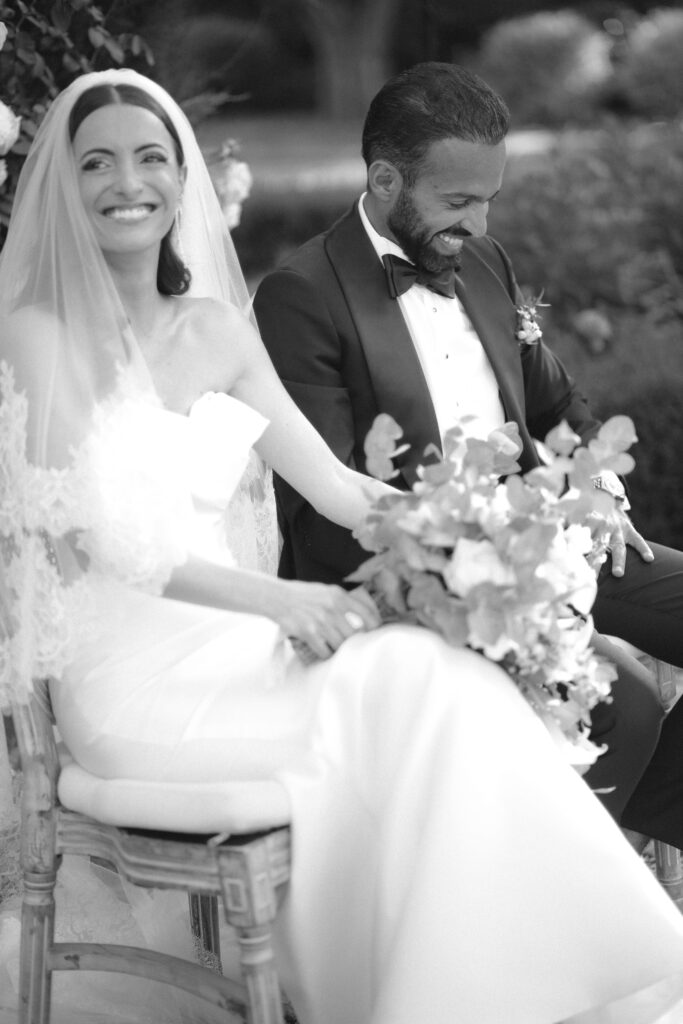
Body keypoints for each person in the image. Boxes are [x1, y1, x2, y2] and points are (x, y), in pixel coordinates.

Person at [2, 68, 683, 1024]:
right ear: (63, 185)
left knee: (436, 676)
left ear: (181, 176)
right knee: (413, 692)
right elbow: (87, 542)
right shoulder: (39, 332)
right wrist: (285, 603)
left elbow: (341, 488)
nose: (129, 181)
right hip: (126, 680)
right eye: (97, 163)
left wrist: (475, 546)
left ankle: (492, 993)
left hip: (236, 651)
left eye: (151, 157)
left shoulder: (215, 329)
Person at [253, 60, 683, 835]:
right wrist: (487, 563)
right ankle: (553, 868)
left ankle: (611, 833)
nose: (480, 226)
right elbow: (325, 512)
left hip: (555, 544)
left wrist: (594, 492)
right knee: (620, 699)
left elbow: (559, 406)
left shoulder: (482, 261)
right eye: (457, 202)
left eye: (489, 200)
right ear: (385, 180)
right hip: (419, 584)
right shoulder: (300, 296)